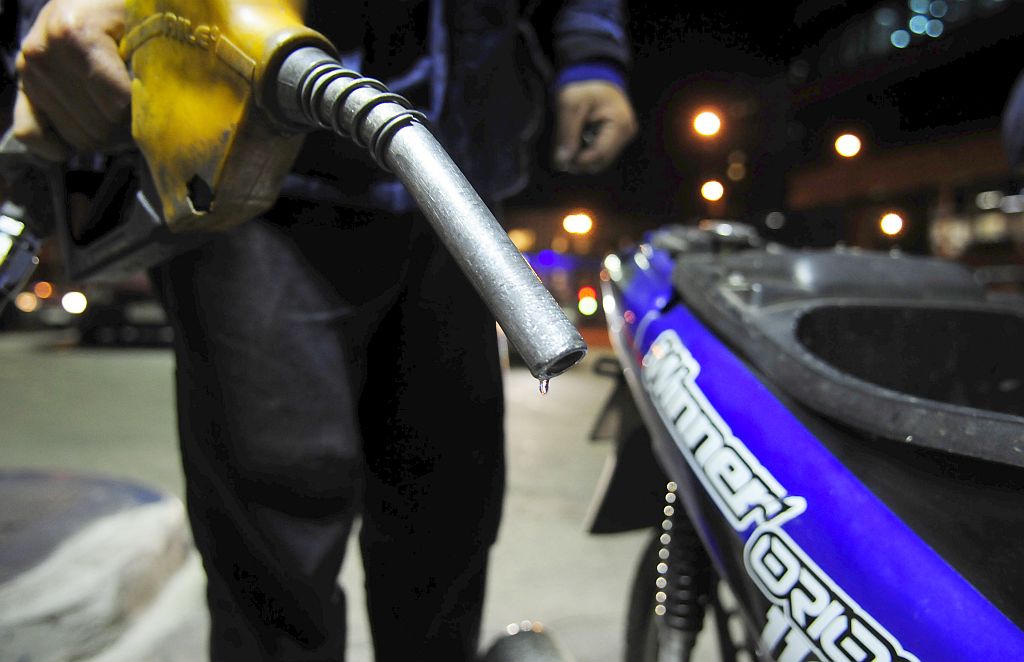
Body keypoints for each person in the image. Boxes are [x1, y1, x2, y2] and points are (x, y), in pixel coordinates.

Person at [7, 0, 637, 659]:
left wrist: (591, 53)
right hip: (254, 164)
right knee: (275, 547)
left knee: (448, 521)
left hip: (456, 170)